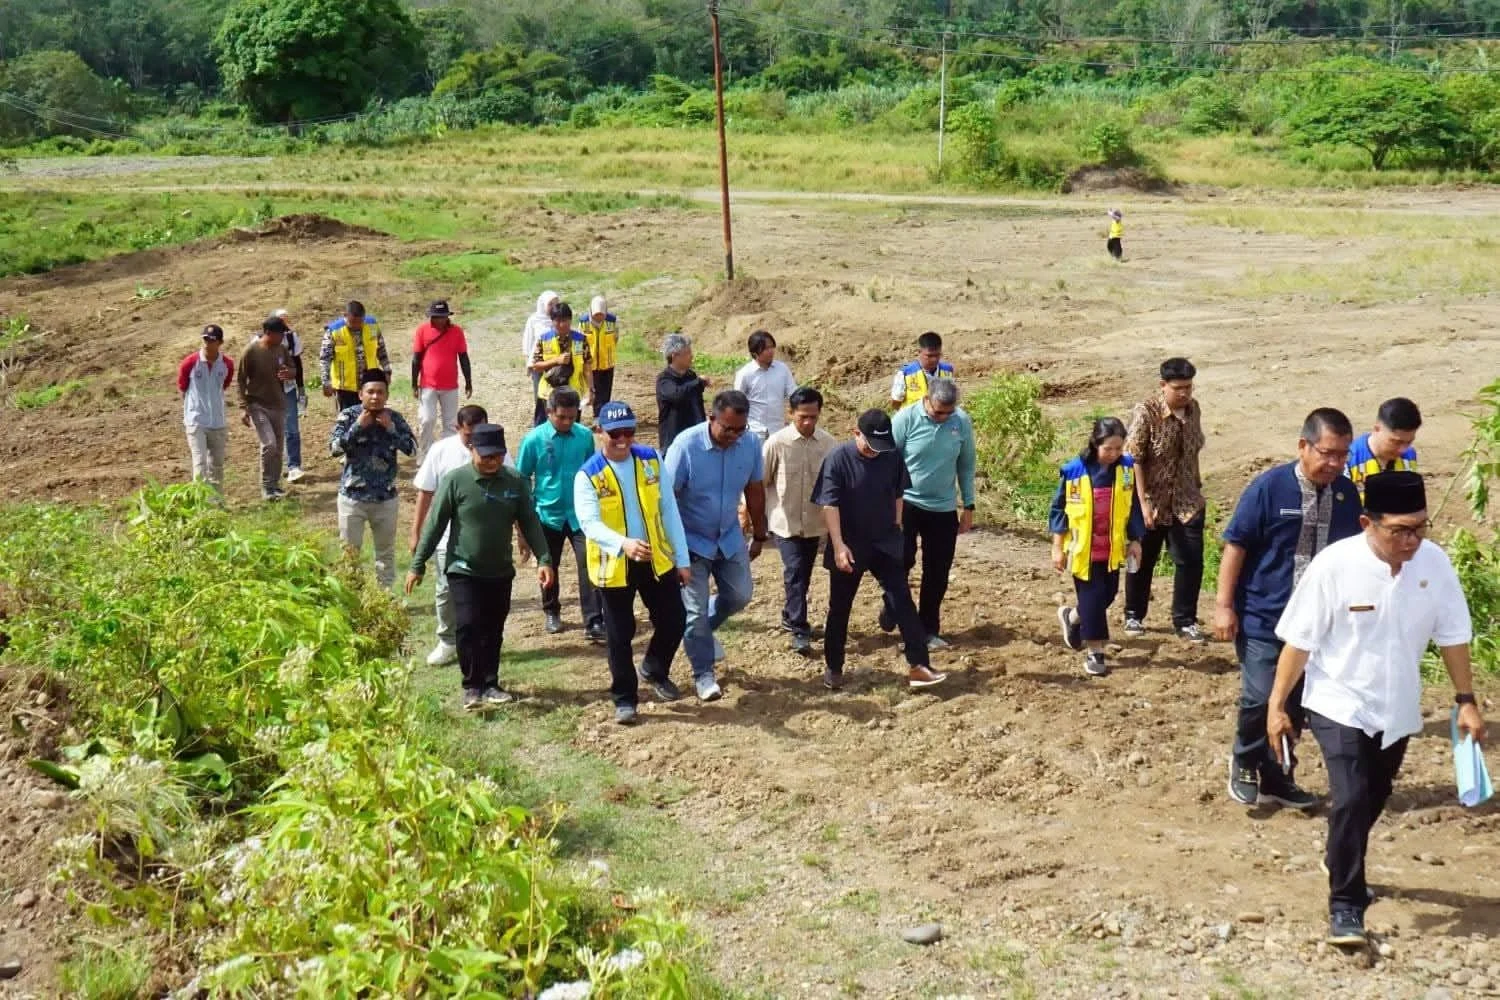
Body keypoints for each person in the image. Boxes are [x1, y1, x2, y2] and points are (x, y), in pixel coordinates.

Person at [1267, 470, 1484, 948]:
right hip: (1337, 701)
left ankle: (1341, 853)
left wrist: (1466, 701)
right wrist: (1277, 705)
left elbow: (1452, 634)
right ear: (1368, 522)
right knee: (1349, 794)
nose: (1411, 540)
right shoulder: (1334, 566)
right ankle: (1346, 906)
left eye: (1420, 528)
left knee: (1373, 795)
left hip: (1398, 706)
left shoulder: (1434, 564)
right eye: (1399, 530)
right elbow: (1299, 643)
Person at [1214, 408, 1364, 809]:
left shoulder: (1347, 495)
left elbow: (1352, 555)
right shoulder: (1268, 488)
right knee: (1261, 697)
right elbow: (1236, 546)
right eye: (1327, 452)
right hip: (1264, 616)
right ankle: (1244, 761)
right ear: (1303, 446)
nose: (1334, 463)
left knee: (1298, 703)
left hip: (1318, 625)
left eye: (1342, 455)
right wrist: (1224, 606)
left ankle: (1278, 777)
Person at [407, 425, 553, 712]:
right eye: (486, 456)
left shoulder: (514, 482)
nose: (492, 462)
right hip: (463, 568)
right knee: (468, 625)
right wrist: (417, 564)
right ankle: (471, 686)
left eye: (498, 456)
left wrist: (544, 559)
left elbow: (530, 523)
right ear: (471, 450)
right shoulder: (456, 481)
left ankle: (491, 683)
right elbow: (434, 525)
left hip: (499, 570)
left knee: (493, 628)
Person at [574, 401, 693, 726]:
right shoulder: (588, 476)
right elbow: (589, 524)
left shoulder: (651, 460)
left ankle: (654, 668)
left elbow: (668, 509)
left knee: (674, 619)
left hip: (656, 558)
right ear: (600, 433)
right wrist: (623, 544)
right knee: (619, 634)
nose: (623, 440)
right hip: (614, 566)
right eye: (615, 434)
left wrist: (681, 558)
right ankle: (625, 699)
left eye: (629, 432)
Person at [814, 409, 947, 691]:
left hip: (885, 541)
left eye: (881, 446)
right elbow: (830, 504)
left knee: (902, 602)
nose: (876, 452)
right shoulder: (838, 459)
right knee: (840, 607)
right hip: (850, 544)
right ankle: (834, 667)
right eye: (870, 445)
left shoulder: (892, 455)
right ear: (856, 434)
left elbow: (899, 493)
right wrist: (838, 546)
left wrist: (896, 526)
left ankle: (919, 666)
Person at [665, 390, 767, 702]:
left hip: (728, 537)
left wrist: (760, 532)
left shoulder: (750, 445)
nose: (734, 436)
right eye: (728, 428)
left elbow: (754, 488)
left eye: (740, 429)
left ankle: (700, 634)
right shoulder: (685, 446)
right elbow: (665, 501)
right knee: (693, 613)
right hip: (690, 541)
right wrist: (671, 549)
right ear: (712, 419)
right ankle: (703, 674)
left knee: (739, 595)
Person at [1050, 417, 1145, 678]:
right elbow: (1059, 510)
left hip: (1112, 549)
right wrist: (1058, 547)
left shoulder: (1126, 469)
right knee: (1092, 598)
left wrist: (1135, 540)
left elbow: (1133, 506)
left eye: (1118, 448)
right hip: (1083, 550)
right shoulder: (1073, 471)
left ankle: (1072, 617)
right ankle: (1095, 652)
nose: (1114, 454)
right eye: (1108, 449)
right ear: (1095, 444)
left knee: (1109, 594)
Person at [886, 377, 977, 650]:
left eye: (948, 413)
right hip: (908, 502)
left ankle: (926, 629)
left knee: (937, 571)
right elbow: (888, 460)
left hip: (943, 507)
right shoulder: (905, 419)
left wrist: (969, 506)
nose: (943, 418)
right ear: (926, 400)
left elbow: (967, 465)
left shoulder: (960, 422)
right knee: (901, 561)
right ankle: (893, 606)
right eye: (938, 412)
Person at [1123, 356, 1208, 643]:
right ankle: (1134, 614)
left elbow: (1194, 451)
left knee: (1191, 562)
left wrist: (1196, 487)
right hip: (1152, 500)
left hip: (1186, 500)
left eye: (1188, 387)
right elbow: (1134, 458)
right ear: (1163, 385)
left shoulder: (1194, 410)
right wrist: (1142, 504)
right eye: (1178, 388)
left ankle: (1185, 620)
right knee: (1142, 558)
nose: (1184, 393)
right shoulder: (1146, 412)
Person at [411, 405, 497, 668]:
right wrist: (416, 532)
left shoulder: (496, 449)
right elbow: (425, 492)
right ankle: (447, 640)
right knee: (446, 588)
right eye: (468, 434)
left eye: (478, 432)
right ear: (457, 428)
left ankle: (480, 639)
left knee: (484, 588)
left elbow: (513, 488)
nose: (473, 439)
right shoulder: (441, 451)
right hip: (447, 535)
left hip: (485, 534)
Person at [516, 387, 605, 641]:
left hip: (580, 515)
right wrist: (523, 522)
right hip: (547, 515)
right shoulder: (533, 440)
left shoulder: (585, 437)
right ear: (549, 412)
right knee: (549, 565)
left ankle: (593, 619)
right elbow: (523, 479)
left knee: (589, 563)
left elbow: (592, 472)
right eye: (561, 417)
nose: (567, 422)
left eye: (572, 417)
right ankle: (551, 610)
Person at [762, 386, 837, 655]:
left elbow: (834, 484)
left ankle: (788, 613)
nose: (807, 422)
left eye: (813, 417)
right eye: (802, 416)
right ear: (790, 413)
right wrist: (751, 516)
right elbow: (760, 482)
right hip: (785, 521)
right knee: (794, 571)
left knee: (803, 573)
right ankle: (799, 628)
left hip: (815, 523)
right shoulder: (776, 443)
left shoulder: (828, 444)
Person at [329, 369, 415, 589]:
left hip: (385, 499)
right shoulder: (348, 416)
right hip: (352, 499)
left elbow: (412, 450)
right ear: (360, 394)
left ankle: (385, 599)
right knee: (350, 555)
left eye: (380, 392)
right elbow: (334, 449)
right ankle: (353, 598)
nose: (375, 396)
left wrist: (391, 429)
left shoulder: (393, 418)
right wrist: (358, 427)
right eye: (370, 392)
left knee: (385, 555)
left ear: (386, 395)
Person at [237, 316, 295, 502]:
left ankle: (274, 485)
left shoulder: (282, 349)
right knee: (269, 444)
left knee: (278, 447)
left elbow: (293, 369)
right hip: (258, 404)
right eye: (280, 334)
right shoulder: (251, 351)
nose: (282, 337)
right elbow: (240, 379)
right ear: (269, 333)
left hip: (278, 403)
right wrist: (243, 406)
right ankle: (266, 486)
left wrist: (289, 373)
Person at [411, 300, 472, 461]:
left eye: (442, 317)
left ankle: (448, 458)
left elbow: (463, 357)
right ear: (431, 317)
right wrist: (413, 383)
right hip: (428, 384)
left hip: (450, 385)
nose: (439, 320)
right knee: (426, 420)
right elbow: (416, 358)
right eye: (436, 317)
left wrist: (468, 380)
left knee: (451, 424)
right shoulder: (422, 331)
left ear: (447, 317)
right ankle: (424, 456)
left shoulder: (456, 332)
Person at [178, 323, 234, 492]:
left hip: (217, 421)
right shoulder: (190, 362)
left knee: (217, 464)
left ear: (220, 343)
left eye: (212, 340)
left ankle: (217, 500)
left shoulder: (227, 364)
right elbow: (182, 385)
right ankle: (202, 502)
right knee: (200, 462)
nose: (207, 343)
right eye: (205, 339)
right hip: (196, 420)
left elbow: (224, 384)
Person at [530, 301, 592, 429]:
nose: (561, 325)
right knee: (544, 430)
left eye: (565, 321)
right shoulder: (544, 339)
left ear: (570, 320)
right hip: (548, 394)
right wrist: (556, 360)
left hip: (573, 393)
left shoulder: (581, 340)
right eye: (557, 321)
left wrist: (591, 390)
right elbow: (536, 365)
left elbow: (587, 368)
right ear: (552, 321)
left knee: (571, 429)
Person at [319, 300, 390, 412]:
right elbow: (325, 359)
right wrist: (326, 382)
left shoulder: (372, 326)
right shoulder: (334, 331)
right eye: (353, 322)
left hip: (370, 384)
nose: (356, 326)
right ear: (345, 316)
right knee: (348, 419)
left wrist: (387, 371)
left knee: (372, 419)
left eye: (360, 322)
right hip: (345, 388)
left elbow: (381, 350)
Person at [1345, 396, 1421, 500]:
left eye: (1409, 442)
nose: (1402, 449)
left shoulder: (1409, 456)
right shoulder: (1348, 460)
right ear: (1377, 429)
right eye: (1396, 442)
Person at [733, 330, 798, 441]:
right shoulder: (745, 374)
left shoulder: (782, 369)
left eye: (772, 347)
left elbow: (793, 394)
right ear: (754, 352)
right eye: (765, 349)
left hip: (778, 430)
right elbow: (737, 402)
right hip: (754, 431)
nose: (770, 351)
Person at [269, 309, 308, 484]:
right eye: (280, 320)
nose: (284, 324)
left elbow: (298, 364)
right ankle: (274, 468)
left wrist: (301, 389)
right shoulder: (260, 340)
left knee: (292, 428)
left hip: (288, 389)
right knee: (273, 431)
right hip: (267, 392)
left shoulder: (292, 338)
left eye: (286, 320)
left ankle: (294, 466)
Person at [656, 333, 710, 452]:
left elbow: (697, 404)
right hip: (673, 441)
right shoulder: (664, 379)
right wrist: (698, 383)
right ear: (675, 356)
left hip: (695, 437)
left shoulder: (691, 376)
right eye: (687, 353)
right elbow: (677, 395)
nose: (691, 356)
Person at [889, 331, 954, 410]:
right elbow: (896, 402)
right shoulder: (905, 373)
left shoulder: (947, 371)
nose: (934, 359)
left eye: (937, 355)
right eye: (929, 356)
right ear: (919, 352)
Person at [580, 296, 619, 419]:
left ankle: (601, 417)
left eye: (601, 314)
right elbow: (581, 341)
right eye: (596, 314)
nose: (599, 317)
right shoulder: (584, 322)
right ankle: (597, 416)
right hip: (591, 364)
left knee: (605, 392)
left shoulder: (612, 321)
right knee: (593, 392)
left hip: (607, 364)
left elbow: (616, 338)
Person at [522, 291, 560, 410]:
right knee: (540, 393)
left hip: (555, 361)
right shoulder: (534, 320)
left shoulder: (559, 319)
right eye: (550, 304)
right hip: (538, 362)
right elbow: (528, 342)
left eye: (556, 304)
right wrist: (528, 362)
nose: (553, 307)